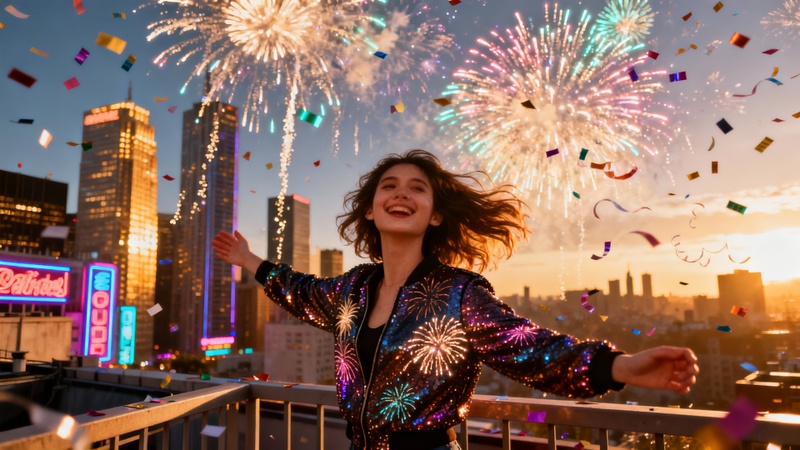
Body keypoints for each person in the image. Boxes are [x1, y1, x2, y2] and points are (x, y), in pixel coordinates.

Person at [212, 149, 699, 450]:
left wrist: (619, 367)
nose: (401, 194)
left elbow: (530, 347)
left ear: (435, 215)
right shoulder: (353, 289)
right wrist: (248, 259)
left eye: (417, 189)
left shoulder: (459, 293)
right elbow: (300, 290)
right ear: (371, 210)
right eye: (388, 186)